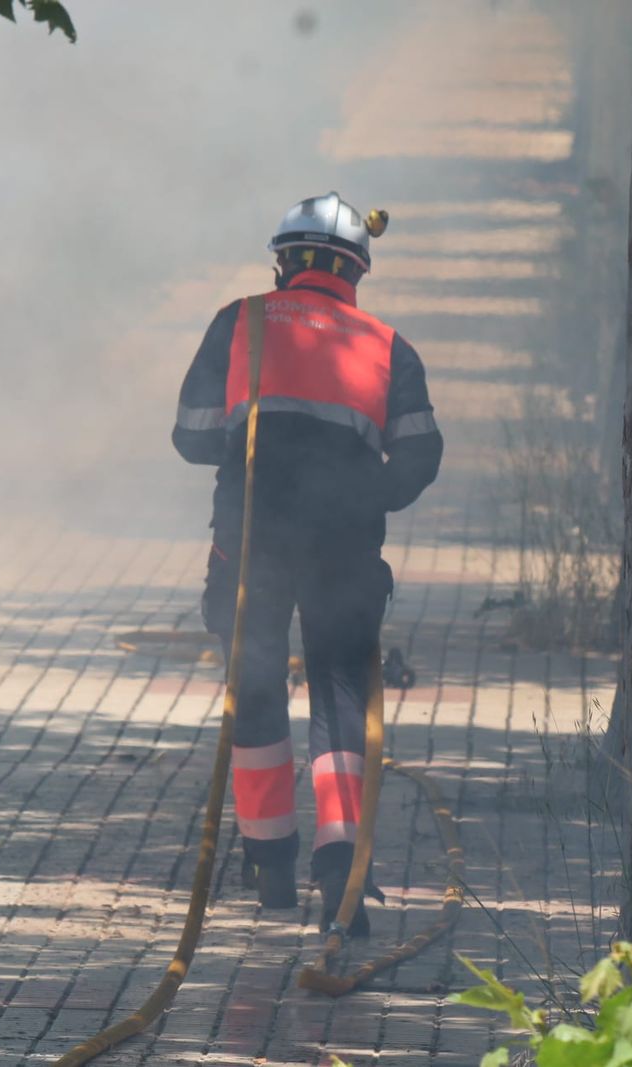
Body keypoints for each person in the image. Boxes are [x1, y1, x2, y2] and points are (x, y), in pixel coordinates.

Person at [172, 192, 443, 936]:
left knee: (254, 681)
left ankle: (269, 865)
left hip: (250, 540)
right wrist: (364, 497)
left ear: (284, 263)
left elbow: (192, 436)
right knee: (339, 692)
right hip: (344, 546)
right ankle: (341, 862)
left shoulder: (241, 322)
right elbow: (422, 453)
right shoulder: (388, 345)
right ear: (356, 270)